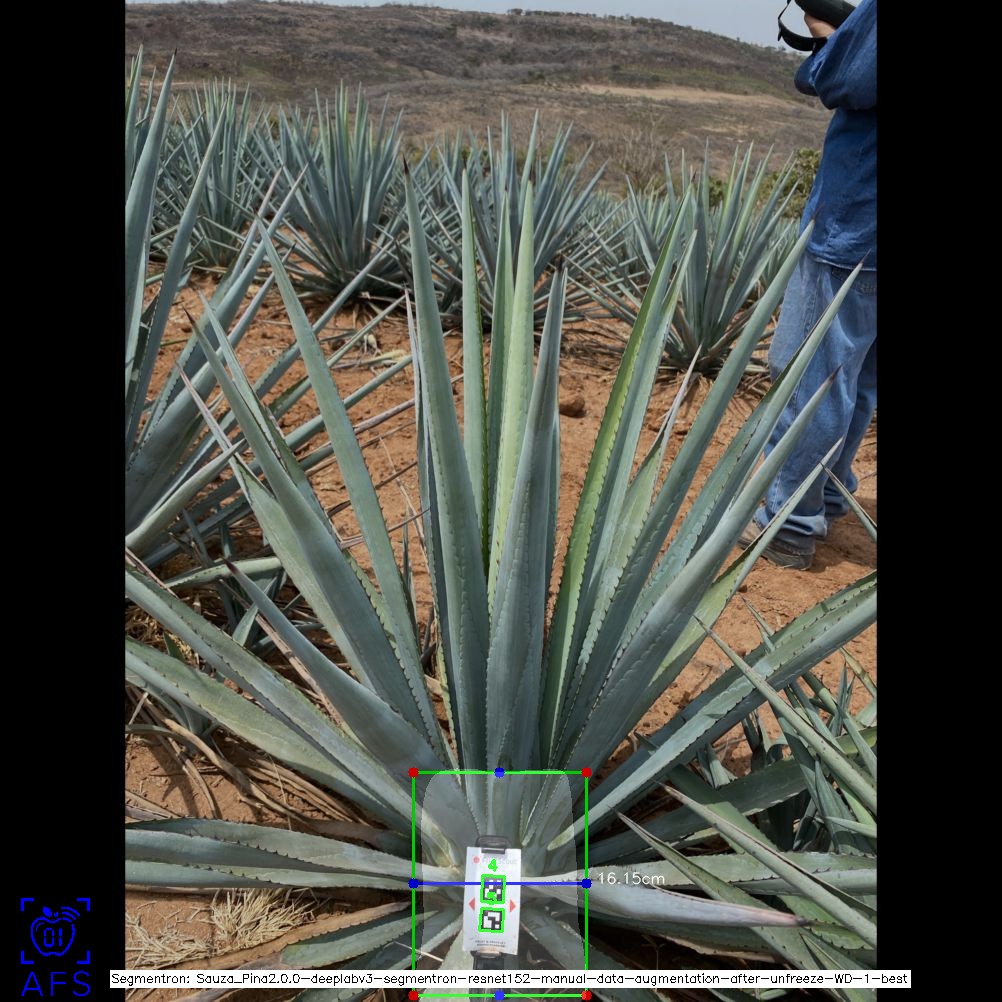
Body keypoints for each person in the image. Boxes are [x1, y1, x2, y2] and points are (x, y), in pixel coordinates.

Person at [739, 0, 876, 570]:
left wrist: (826, 34)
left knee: (813, 375)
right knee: (859, 378)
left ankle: (790, 520)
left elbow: (848, 78)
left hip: (856, 227)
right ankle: (827, 489)